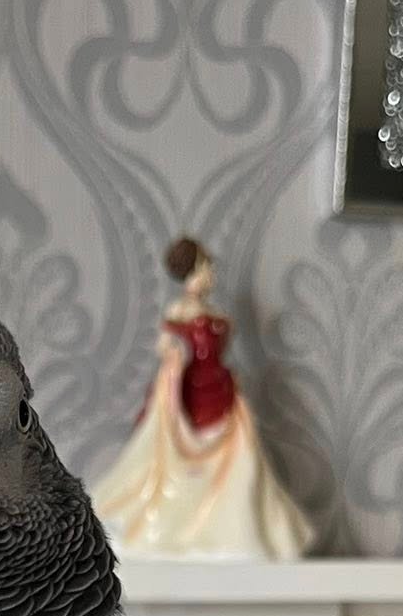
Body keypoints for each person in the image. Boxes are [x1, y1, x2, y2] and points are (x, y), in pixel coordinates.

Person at [90, 236, 313, 559]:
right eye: (205, 267)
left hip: (221, 393)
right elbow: (166, 347)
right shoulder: (180, 311)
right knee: (182, 465)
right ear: (191, 272)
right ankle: (180, 530)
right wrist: (174, 362)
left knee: (240, 464)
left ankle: (237, 532)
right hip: (191, 396)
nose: (211, 274)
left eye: (209, 267)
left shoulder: (213, 312)